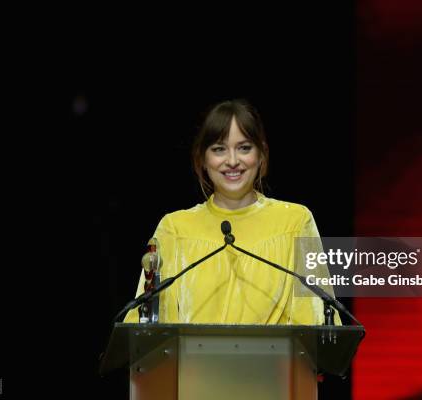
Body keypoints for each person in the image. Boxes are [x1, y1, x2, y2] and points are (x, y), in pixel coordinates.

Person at [124, 99, 339, 325]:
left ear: (261, 155)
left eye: (244, 148)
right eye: (219, 149)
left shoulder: (295, 221)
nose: (233, 161)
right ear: (203, 159)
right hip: (193, 361)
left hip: (276, 361)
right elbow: (148, 331)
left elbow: (317, 327)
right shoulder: (175, 228)